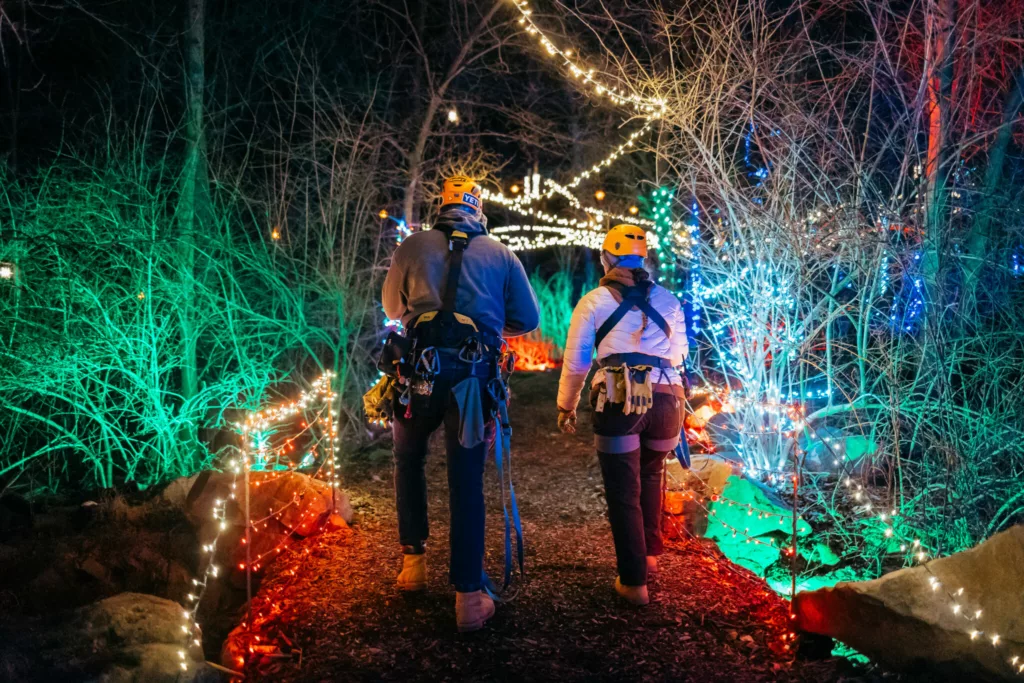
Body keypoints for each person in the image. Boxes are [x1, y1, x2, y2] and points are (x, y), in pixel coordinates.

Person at [381, 175, 540, 631]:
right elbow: (528, 319)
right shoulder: (501, 253)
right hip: (473, 377)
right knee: (465, 479)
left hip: (417, 373)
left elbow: (393, 309)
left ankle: (413, 566)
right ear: (478, 211)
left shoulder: (412, 246)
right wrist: (487, 325)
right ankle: (468, 599)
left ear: (441, 208)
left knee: (407, 459)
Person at [556, 224, 687, 606]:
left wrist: (566, 405)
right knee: (651, 473)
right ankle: (648, 559)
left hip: (617, 398)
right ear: (642, 258)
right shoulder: (670, 301)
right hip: (667, 399)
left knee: (622, 489)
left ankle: (633, 584)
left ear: (606, 258)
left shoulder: (594, 301)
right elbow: (679, 354)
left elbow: (578, 363)